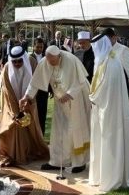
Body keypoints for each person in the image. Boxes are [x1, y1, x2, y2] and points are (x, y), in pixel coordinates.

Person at [20, 45, 91, 173]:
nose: (51, 64)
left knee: (76, 130)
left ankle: (80, 162)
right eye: (49, 61)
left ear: (59, 56)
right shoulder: (45, 62)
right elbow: (34, 82)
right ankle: (58, 161)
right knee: (59, 130)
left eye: (53, 61)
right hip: (60, 100)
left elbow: (80, 81)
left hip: (76, 99)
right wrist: (27, 96)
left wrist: (69, 94)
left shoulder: (71, 60)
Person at [88, 27, 129, 190]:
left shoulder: (112, 61)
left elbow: (128, 75)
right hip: (104, 110)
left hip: (110, 111)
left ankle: (112, 174)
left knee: (112, 141)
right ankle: (102, 173)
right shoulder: (104, 60)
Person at [0, 46, 50, 166]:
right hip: (11, 105)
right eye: (14, 61)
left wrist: (27, 102)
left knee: (30, 129)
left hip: (29, 104)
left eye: (20, 61)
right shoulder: (7, 68)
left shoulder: (31, 63)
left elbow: (36, 84)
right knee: (13, 127)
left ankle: (29, 152)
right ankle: (13, 155)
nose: (17, 64)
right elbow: (8, 92)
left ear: (24, 59)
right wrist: (17, 112)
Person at [29, 37, 49, 135]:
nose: (39, 49)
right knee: (33, 113)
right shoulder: (29, 58)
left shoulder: (46, 57)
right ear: (33, 47)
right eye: (37, 47)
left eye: (41, 47)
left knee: (42, 114)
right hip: (33, 90)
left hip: (44, 90)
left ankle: (42, 135)